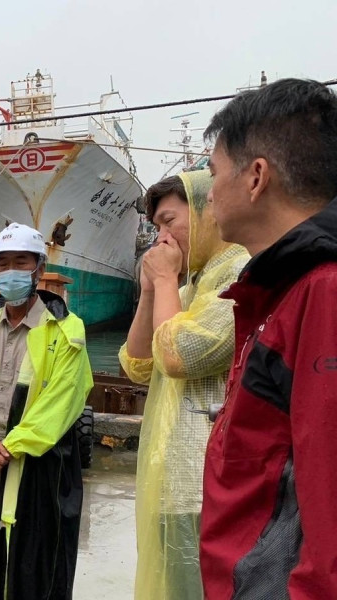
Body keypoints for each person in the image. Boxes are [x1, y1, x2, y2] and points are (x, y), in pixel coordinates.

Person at [200, 78, 337, 598]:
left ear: (256, 177)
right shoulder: (283, 291)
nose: (209, 192)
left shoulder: (322, 293)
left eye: (214, 173)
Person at [118, 171, 249, 599]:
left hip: (206, 490)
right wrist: (152, 291)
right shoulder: (192, 284)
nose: (161, 237)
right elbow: (137, 365)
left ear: (204, 213)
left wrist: (161, 281)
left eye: (169, 221)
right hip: (172, 484)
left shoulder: (239, 273)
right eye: (155, 227)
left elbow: (180, 354)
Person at [0, 222, 94, 600]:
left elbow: (65, 399)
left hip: (39, 464)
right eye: (3, 264)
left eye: (21, 262)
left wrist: (10, 448)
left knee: (36, 562)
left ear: (39, 270)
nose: (11, 272)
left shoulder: (66, 330)